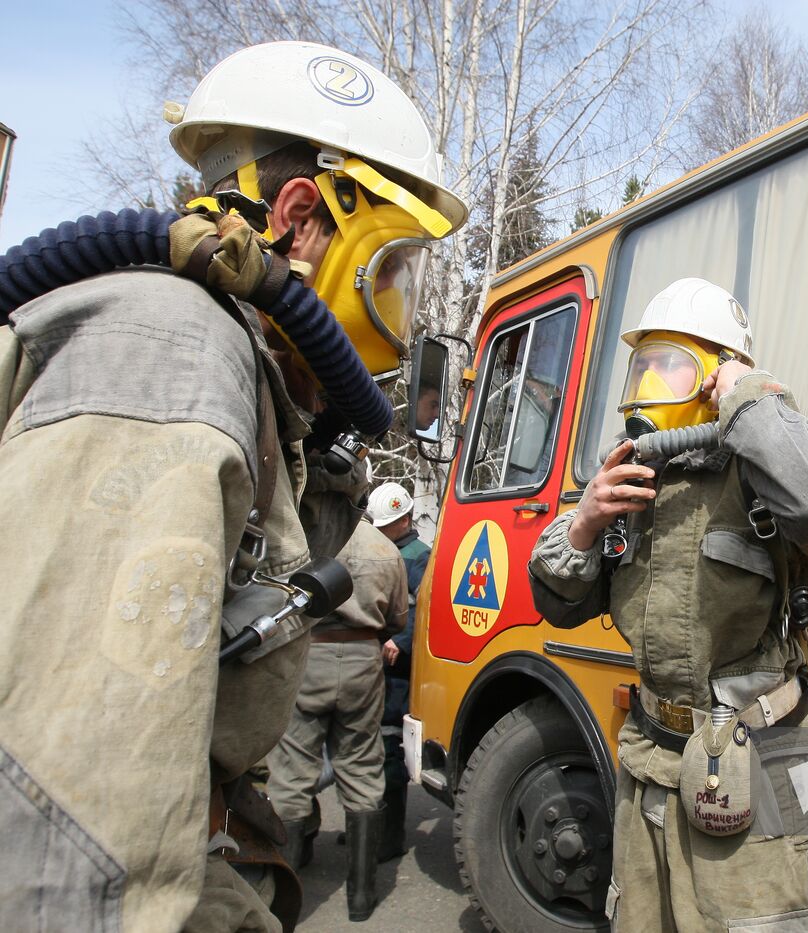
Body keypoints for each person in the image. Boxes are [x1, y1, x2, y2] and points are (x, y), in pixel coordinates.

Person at [0, 41, 465, 932]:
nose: (399, 315)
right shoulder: (168, 352)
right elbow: (62, 832)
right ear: (299, 216)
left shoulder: (230, 369)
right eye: (395, 270)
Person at [528, 277, 808, 931]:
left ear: (714, 375)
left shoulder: (766, 464)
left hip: (755, 760)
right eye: (642, 365)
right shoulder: (634, 480)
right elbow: (559, 605)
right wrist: (584, 523)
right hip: (651, 759)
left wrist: (749, 392)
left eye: (670, 364)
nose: (649, 382)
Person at [266, 514, 409, 921]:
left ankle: (283, 909)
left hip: (307, 654)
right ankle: (361, 900)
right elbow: (398, 617)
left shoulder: (298, 536)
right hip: (364, 658)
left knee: (292, 773)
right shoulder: (383, 547)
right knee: (363, 767)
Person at [366, 480, 432, 861]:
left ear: (404, 519)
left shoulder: (420, 556)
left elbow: (422, 607)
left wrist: (400, 641)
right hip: (371, 663)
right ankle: (366, 828)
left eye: (387, 524)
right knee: (365, 749)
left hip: (397, 669)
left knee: (389, 749)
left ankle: (387, 838)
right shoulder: (381, 550)